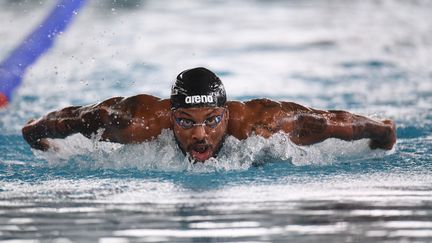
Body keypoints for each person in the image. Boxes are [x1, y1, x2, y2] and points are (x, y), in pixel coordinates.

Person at [22, 67, 396, 162]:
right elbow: (76, 118)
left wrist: (382, 132)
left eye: (211, 120)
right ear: (170, 117)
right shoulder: (136, 121)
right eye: (185, 121)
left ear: (225, 114)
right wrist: (37, 130)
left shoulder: (259, 125)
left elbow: (333, 122)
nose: (200, 134)